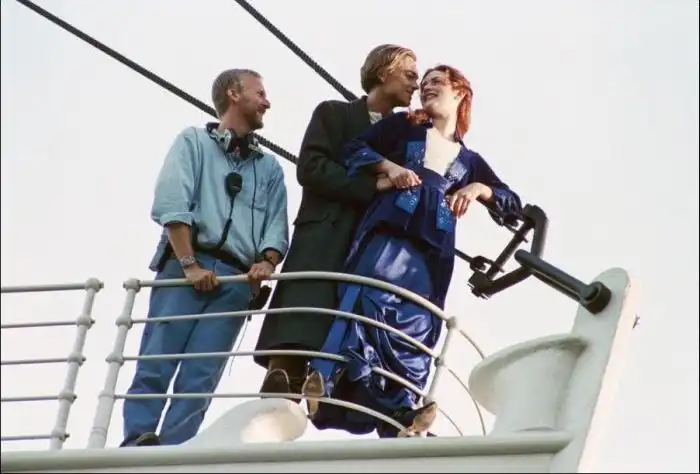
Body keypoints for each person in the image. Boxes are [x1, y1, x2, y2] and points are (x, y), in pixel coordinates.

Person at [305, 64, 523, 438]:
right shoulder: (403, 126)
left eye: (437, 82)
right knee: (368, 298)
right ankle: (326, 378)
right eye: (423, 84)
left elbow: (511, 202)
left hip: (433, 250)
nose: (426, 88)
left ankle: (401, 410)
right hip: (390, 230)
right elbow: (354, 148)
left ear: (460, 92)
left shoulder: (470, 161)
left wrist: (477, 189)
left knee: (417, 323)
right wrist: (389, 167)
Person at [121, 68, 289, 447]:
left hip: (235, 281)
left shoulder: (269, 169)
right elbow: (172, 202)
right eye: (260, 93)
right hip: (184, 270)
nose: (267, 102)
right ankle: (136, 444)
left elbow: (277, 227)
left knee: (201, 377)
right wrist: (189, 264)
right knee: (156, 362)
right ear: (233, 94)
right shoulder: (193, 142)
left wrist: (266, 262)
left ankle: (176, 452)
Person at [253, 45, 420, 399]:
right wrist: (371, 185)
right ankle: (278, 393)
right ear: (384, 72)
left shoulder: (405, 137)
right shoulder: (334, 113)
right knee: (298, 328)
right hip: (322, 239)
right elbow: (311, 168)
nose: (416, 84)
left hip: (365, 248)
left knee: (341, 334)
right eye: (409, 74)